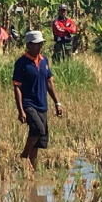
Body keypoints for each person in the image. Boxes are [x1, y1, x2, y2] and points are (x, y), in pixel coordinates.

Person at [13, 31, 63, 171]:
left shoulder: (44, 60)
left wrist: (57, 102)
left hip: (42, 104)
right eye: (36, 44)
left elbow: (49, 83)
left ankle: (32, 170)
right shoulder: (21, 63)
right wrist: (21, 110)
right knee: (37, 129)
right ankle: (24, 156)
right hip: (29, 103)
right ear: (28, 45)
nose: (39, 47)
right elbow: (17, 87)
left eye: (41, 44)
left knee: (39, 140)